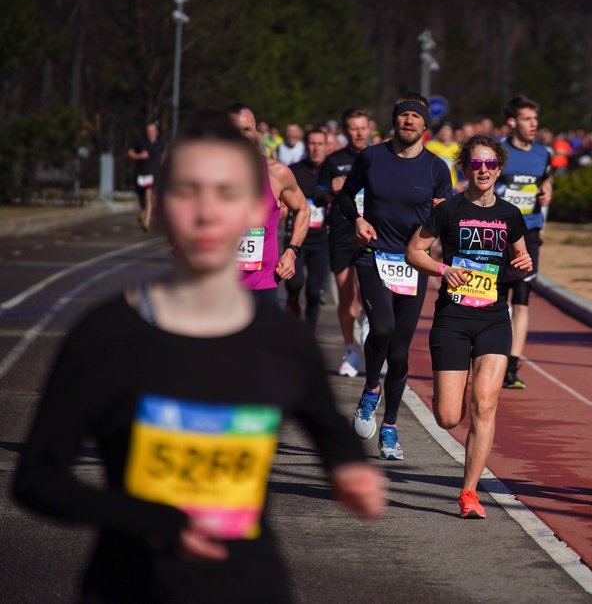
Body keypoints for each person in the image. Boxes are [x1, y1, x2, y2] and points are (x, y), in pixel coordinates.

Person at [12, 112, 385, 603]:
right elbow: (37, 478)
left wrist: (350, 468)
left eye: (226, 194)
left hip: (251, 586)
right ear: (162, 209)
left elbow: (330, 428)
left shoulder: (280, 340)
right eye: (189, 192)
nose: (207, 213)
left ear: (250, 209)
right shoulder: (107, 336)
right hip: (133, 587)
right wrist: (151, 520)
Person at [406, 135, 533, 518]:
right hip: (453, 319)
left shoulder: (510, 214)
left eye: (490, 164)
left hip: (493, 318)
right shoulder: (449, 209)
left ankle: (469, 493)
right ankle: (449, 390)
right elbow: (414, 252)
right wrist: (443, 269)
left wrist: (524, 263)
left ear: (499, 169)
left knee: (485, 404)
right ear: (465, 168)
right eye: (476, 164)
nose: (483, 170)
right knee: (448, 416)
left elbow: (521, 255)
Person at [337, 93, 452, 460]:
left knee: (400, 352)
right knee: (382, 327)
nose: (409, 121)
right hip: (373, 256)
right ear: (394, 121)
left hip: (413, 263)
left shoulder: (436, 169)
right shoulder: (372, 157)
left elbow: (443, 218)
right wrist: (357, 221)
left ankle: (390, 427)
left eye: (415, 117)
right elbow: (345, 197)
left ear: (425, 126)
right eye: (403, 115)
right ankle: (371, 389)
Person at [495, 96, 553, 389]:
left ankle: (511, 367)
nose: (534, 124)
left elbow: (546, 181)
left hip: (528, 233)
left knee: (521, 299)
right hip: (497, 233)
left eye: (535, 119)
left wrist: (547, 192)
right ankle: (490, 357)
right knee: (496, 299)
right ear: (512, 122)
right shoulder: (498, 151)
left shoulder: (543, 154)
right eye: (527, 119)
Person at [228, 104, 309, 306]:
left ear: (256, 132)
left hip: (261, 283)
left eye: (246, 130)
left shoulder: (276, 173)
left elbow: (303, 209)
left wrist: (291, 252)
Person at [315, 107, 370, 377]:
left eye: (362, 127)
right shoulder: (333, 161)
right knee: (347, 299)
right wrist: (330, 191)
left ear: (369, 128)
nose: (359, 133)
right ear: (345, 131)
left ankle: (368, 327)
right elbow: (317, 195)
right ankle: (351, 350)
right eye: (353, 128)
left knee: (370, 296)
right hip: (342, 235)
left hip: (373, 234)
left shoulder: (380, 157)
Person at [284, 129, 331, 330]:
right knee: (294, 283)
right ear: (306, 146)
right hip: (296, 237)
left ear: (327, 147)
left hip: (321, 240)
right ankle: (292, 298)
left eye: (320, 144)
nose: (316, 148)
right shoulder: (293, 171)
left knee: (314, 292)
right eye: (312, 144)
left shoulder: (331, 172)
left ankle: (309, 334)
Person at [127, 121, 164, 232]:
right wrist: (139, 156)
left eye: (153, 131)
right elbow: (130, 153)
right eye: (149, 131)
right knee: (141, 196)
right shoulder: (140, 142)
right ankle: (143, 210)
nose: (151, 133)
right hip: (140, 173)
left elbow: (163, 154)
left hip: (152, 174)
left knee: (148, 196)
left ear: (156, 132)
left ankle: (146, 222)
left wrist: (162, 165)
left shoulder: (160, 143)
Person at [425, 121, 462, 187]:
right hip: (433, 183)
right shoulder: (430, 145)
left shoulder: (457, 147)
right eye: (442, 129)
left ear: (452, 133)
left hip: (452, 184)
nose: (444, 132)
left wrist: (460, 183)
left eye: (447, 129)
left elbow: (461, 168)